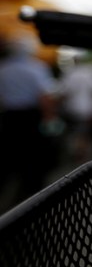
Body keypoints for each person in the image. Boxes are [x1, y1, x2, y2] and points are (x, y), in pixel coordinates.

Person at [0, 34, 60, 209]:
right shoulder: (37, 68)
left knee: (8, 157)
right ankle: (29, 203)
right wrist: (50, 118)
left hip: (9, 117)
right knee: (32, 158)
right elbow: (45, 96)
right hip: (31, 118)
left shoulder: (3, 68)